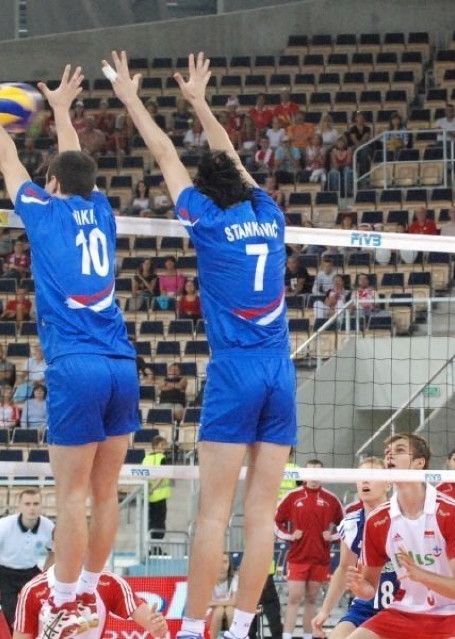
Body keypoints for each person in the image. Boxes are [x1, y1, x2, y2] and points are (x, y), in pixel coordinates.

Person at [106, 50, 295, 639]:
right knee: (260, 514)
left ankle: (191, 628)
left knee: (211, 512)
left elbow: (166, 155)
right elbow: (232, 160)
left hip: (236, 371)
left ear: (206, 195)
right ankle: (240, 627)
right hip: (280, 371)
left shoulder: (207, 222)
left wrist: (131, 96)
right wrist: (199, 102)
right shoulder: (270, 211)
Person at [0, 61, 139, 637]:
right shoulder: (102, 209)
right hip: (122, 363)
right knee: (105, 493)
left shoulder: (42, 209)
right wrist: (60, 110)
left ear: (51, 183)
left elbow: (7, 158)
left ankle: (62, 597)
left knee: (72, 493)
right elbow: (73, 164)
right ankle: (90, 589)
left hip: (76, 365)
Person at [345, 433, 455, 639]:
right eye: (387, 452)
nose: (389, 457)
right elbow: (369, 588)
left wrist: (421, 575)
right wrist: (360, 587)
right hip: (404, 612)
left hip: (452, 612)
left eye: (398, 451)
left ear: (419, 463)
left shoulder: (452, 511)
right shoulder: (378, 519)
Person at [312, 457, 395, 639]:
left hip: (400, 607)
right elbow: (343, 568)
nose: (365, 480)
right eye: (361, 476)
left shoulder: (402, 519)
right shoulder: (351, 524)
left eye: (372, 475)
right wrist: (325, 611)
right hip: (365, 607)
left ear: (388, 484)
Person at [275, 460, 344, 639]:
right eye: (311, 473)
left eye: (318, 473)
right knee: (294, 598)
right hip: (298, 556)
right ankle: (287, 636)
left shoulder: (331, 499)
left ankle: (308, 636)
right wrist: (290, 536)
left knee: (312, 599)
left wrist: (333, 536)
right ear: (305, 475)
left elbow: (345, 525)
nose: (314, 478)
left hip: (320, 557)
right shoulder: (293, 496)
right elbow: (275, 521)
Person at [0, 488, 55, 631]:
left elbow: (53, 552)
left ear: (41, 506)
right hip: (5, 574)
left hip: (31, 572)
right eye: (27, 504)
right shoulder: (4, 525)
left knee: (40, 616)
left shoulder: (48, 526)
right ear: (19, 506)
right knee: (14, 621)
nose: (32, 508)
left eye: (36, 504)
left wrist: (45, 575)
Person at [14, 566, 169, 639]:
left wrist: (157, 625)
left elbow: (153, 625)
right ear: (55, 546)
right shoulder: (33, 590)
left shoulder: (108, 581)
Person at [142, 436, 172, 554]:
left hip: (148, 496)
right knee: (160, 523)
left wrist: (149, 489)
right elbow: (161, 476)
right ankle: (156, 549)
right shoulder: (162, 458)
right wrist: (153, 488)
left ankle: (151, 548)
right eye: (163, 445)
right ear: (157, 446)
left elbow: (142, 476)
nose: (164, 447)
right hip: (159, 497)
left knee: (151, 522)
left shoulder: (145, 459)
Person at [209, 554, 239, 636]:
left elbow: (234, 602)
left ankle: (235, 637)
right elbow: (207, 602)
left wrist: (215, 603)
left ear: (229, 564)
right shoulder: (209, 580)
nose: (222, 566)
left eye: (225, 562)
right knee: (219, 610)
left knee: (230, 610)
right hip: (212, 611)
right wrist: (220, 604)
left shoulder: (234, 579)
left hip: (229, 609)